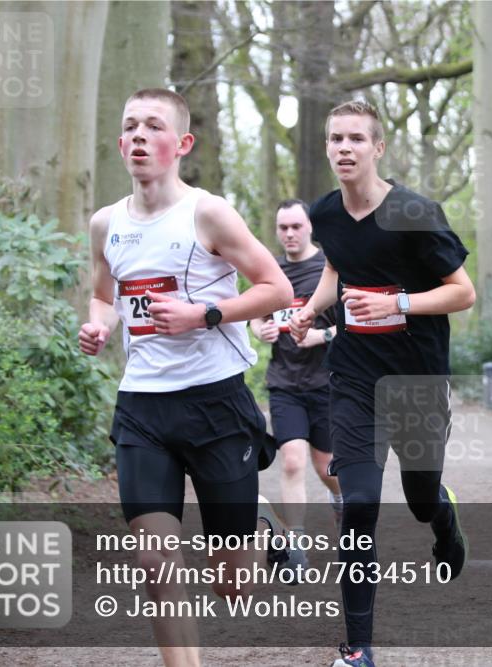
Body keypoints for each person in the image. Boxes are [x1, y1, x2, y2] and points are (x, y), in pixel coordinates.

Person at [77, 88, 295, 667]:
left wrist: (206, 314)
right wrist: (98, 326)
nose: (139, 136)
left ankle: (258, 530)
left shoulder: (209, 213)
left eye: (154, 126)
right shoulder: (106, 224)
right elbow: (104, 297)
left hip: (214, 405)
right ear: (121, 142)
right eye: (130, 127)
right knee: (155, 562)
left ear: (182, 144)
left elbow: (278, 289)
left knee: (234, 586)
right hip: (143, 409)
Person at [289, 100, 476, 667]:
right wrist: (310, 310)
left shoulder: (415, 212)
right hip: (354, 379)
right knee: (360, 503)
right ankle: (358, 648)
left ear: (378, 148)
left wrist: (397, 301)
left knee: (419, 498)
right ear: (327, 147)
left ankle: (444, 521)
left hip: (416, 380)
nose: (344, 148)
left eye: (355, 139)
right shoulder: (324, 214)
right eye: (335, 139)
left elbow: (463, 292)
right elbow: (336, 269)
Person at [249, 200, 343, 546]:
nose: (289, 234)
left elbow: (355, 323)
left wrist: (324, 335)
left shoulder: (329, 268)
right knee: (291, 461)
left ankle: (340, 501)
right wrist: (259, 330)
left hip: (325, 381)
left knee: (326, 466)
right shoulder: (271, 271)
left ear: (310, 228)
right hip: (284, 382)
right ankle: (296, 543)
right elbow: (255, 315)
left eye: (296, 227)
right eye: (283, 227)